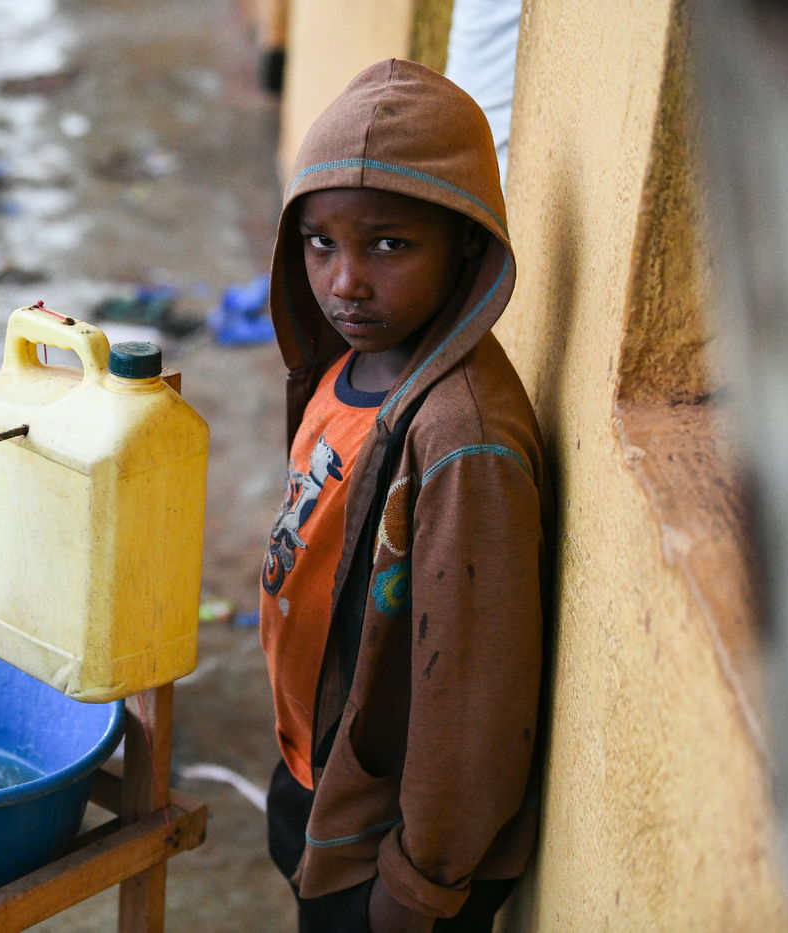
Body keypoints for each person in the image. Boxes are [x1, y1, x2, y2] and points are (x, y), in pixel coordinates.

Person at [259, 59, 551, 933]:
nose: (346, 280)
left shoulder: (462, 442)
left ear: (465, 237)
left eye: (388, 244)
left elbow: (474, 690)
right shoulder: (347, 366)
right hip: (322, 778)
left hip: (393, 850)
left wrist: (418, 884)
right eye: (321, 243)